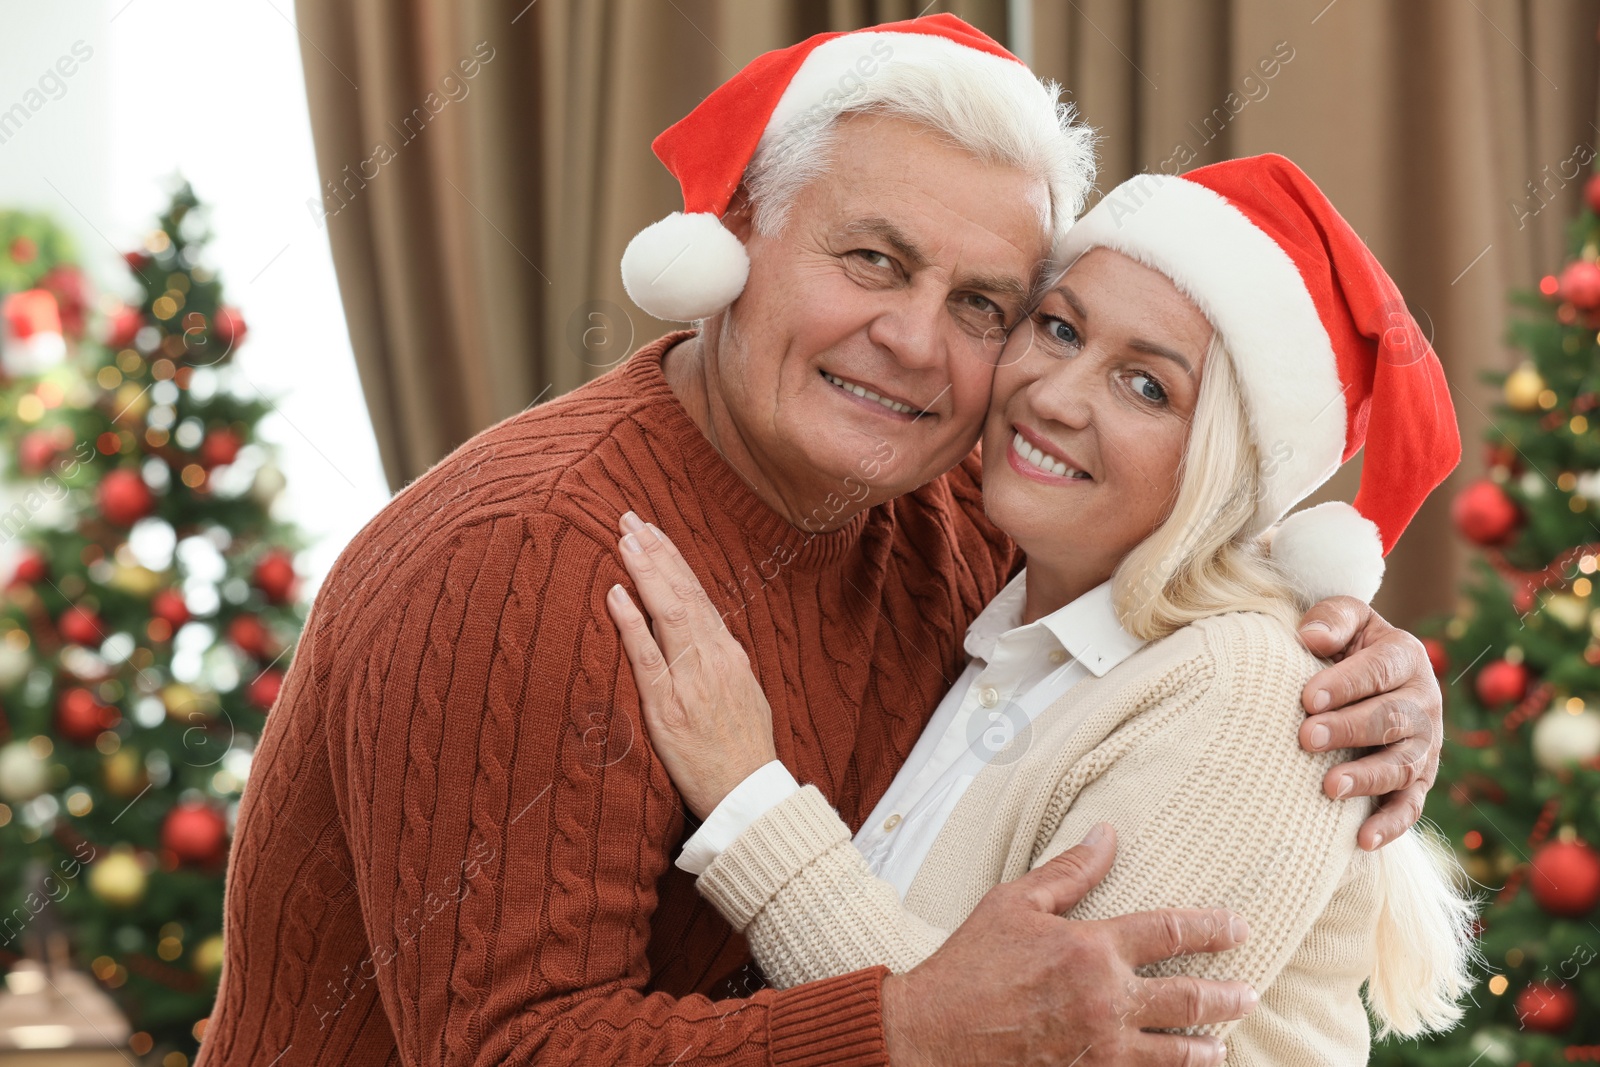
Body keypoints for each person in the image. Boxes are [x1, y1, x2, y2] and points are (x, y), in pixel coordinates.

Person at [200, 17, 1446, 1067]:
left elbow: (1200, 635)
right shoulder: (528, 559)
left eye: (980, 305)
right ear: (738, 234)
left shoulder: (953, 517)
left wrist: (1365, 672)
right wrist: (904, 1022)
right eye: (871, 260)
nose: (913, 340)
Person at [606, 154, 1477, 1066]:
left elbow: (1024, 1043)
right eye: (1060, 329)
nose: (1054, 396)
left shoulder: (1249, 696)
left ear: (1223, 467)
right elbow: (970, 1007)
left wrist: (749, 795)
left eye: (1149, 387)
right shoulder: (1008, 609)